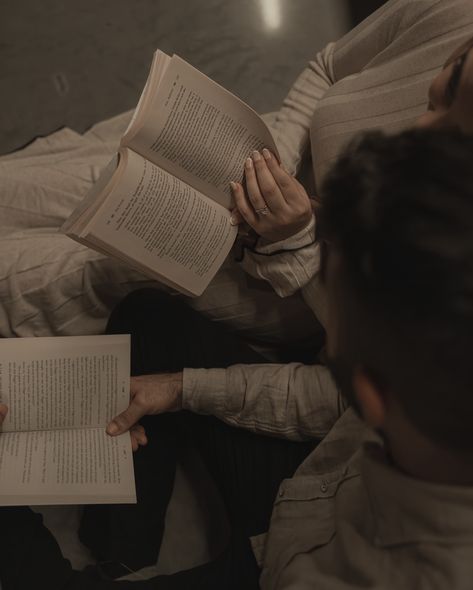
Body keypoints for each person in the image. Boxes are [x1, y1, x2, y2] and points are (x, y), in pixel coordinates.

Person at [2, 126, 473, 589]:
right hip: (315, 492)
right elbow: (330, 400)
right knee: (153, 317)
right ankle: (121, 551)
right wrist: (180, 388)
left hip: (275, 566)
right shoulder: (422, 395)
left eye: (336, 313)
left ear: (373, 390)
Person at [0, 0, 472, 352]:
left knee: (74, 277)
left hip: (295, 286)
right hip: (245, 168)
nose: (418, 133)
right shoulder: (455, 12)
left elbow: (372, 342)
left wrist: (298, 238)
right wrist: (274, 167)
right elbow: (327, 67)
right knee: (46, 184)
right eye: (444, 92)